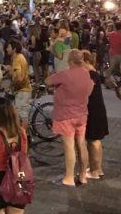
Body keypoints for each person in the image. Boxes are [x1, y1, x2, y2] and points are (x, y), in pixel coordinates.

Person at [46, 49, 93, 186]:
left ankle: (69, 177)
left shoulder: (65, 74)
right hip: (82, 114)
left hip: (66, 115)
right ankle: (83, 175)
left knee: (69, 146)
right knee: (81, 143)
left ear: (70, 61)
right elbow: (89, 90)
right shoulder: (86, 74)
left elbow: (48, 81)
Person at [82, 50, 108, 178]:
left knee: (94, 141)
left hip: (94, 111)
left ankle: (95, 171)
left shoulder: (91, 74)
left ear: (86, 61)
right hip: (96, 110)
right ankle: (97, 168)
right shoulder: (92, 73)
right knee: (95, 141)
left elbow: (88, 91)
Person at [5, 40, 31, 125]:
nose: (6, 49)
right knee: (17, 112)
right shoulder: (17, 57)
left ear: (14, 49)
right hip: (20, 89)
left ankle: (24, 136)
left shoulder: (17, 59)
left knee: (21, 114)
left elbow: (18, 77)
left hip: (22, 90)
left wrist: (9, 86)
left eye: (8, 47)